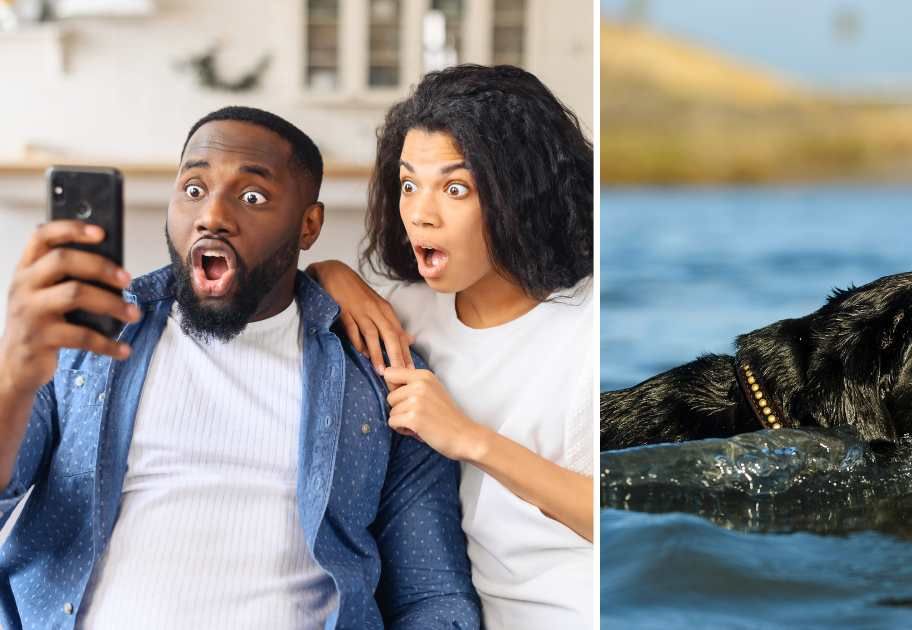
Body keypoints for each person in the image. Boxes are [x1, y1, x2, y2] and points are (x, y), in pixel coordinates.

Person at [0, 106, 480, 629]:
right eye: (193, 189)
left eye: (252, 197)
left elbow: (432, 597)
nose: (212, 216)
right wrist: (13, 377)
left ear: (308, 226)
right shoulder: (83, 341)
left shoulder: (380, 375)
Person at [307, 64, 594, 629]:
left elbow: (609, 514)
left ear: (522, 196)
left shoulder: (586, 323)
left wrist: (468, 439)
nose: (420, 212)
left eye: (455, 188)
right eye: (409, 184)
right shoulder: (402, 314)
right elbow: (298, 290)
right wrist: (329, 270)